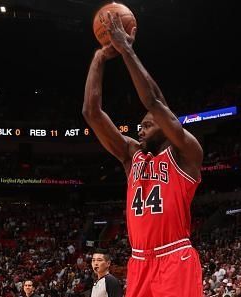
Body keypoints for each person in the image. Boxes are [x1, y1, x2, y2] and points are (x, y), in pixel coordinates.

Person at [82, 10, 203, 297]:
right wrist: (99, 57)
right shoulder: (131, 155)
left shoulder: (186, 152)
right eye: (140, 125)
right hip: (139, 260)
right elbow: (91, 112)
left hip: (175, 256)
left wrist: (126, 50)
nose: (140, 129)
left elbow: (153, 100)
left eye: (147, 125)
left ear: (164, 125)